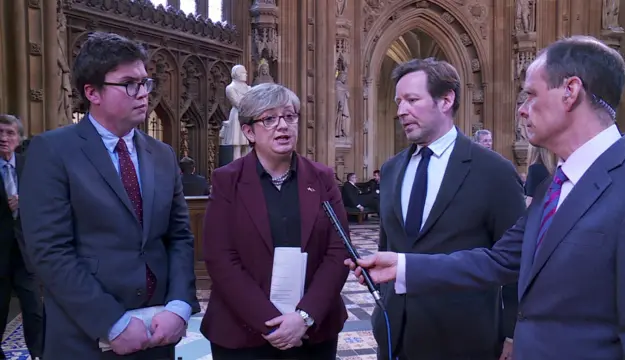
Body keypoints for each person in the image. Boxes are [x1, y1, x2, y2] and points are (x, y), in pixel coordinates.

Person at [346, 36, 625, 360]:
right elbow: (499, 260)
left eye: (530, 95)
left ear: (570, 91)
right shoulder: (556, 185)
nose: (522, 111)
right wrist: (402, 266)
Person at [20, 32, 199, 359]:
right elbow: (50, 251)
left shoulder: (162, 154)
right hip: (85, 336)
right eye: (130, 83)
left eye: (146, 82)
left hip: (156, 332)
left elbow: (180, 237)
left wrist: (179, 305)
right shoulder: (53, 151)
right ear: (93, 92)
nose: (143, 93)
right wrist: (111, 323)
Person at [366, 58, 525, 360]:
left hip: (463, 337)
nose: (401, 111)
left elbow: (515, 261)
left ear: (446, 99)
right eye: (399, 101)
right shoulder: (390, 169)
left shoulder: (494, 172)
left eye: (412, 100)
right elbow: (390, 245)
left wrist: (511, 332)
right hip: (395, 334)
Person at [200, 83, 350, 359]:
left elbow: (338, 250)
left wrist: (304, 316)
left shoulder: (322, 178)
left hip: (313, 331)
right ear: (248, 131)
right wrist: (270, 322)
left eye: (289, 116)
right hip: (242, 332)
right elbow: (220, 258)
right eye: (269, 119)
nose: (283, 126)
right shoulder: (227, 180)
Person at [0, 115, 43, 360]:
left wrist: (24, 203)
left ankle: (39, 354)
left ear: (19, 139)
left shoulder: (31, 166)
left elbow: (46, 204)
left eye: (10, 133)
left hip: (26, 253)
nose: (3, 138)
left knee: (35, 309)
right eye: (0, 132)